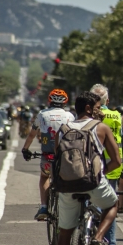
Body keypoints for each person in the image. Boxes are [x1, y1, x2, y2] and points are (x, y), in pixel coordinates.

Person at [53, 92, 121, 245]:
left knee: (64, 232)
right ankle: (98, 238)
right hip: (93, 184)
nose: (101, 110)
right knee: (113, 204)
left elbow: (58, 160)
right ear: (90, 109)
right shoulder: (101, 128)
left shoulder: (63, 129)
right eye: (98, 106)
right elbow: (117, 161)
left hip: (66, 186)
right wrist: (99, 173)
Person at [21, 89, 74, 220]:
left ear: (49, 100)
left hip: (48, 156)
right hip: (65, 157)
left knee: (45, 177)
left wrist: (25, 149)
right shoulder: (70, 116)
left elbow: (32, 134)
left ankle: (44, 206)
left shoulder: (42, 114)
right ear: (65, 102)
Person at [91, 84, 122, 245]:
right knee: (111, 202)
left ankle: (90, 235)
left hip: (94, 163)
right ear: (107, 101)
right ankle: (110, 243)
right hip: (114, 163)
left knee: (92, 202)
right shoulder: (117, 116)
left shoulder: (90, 116)